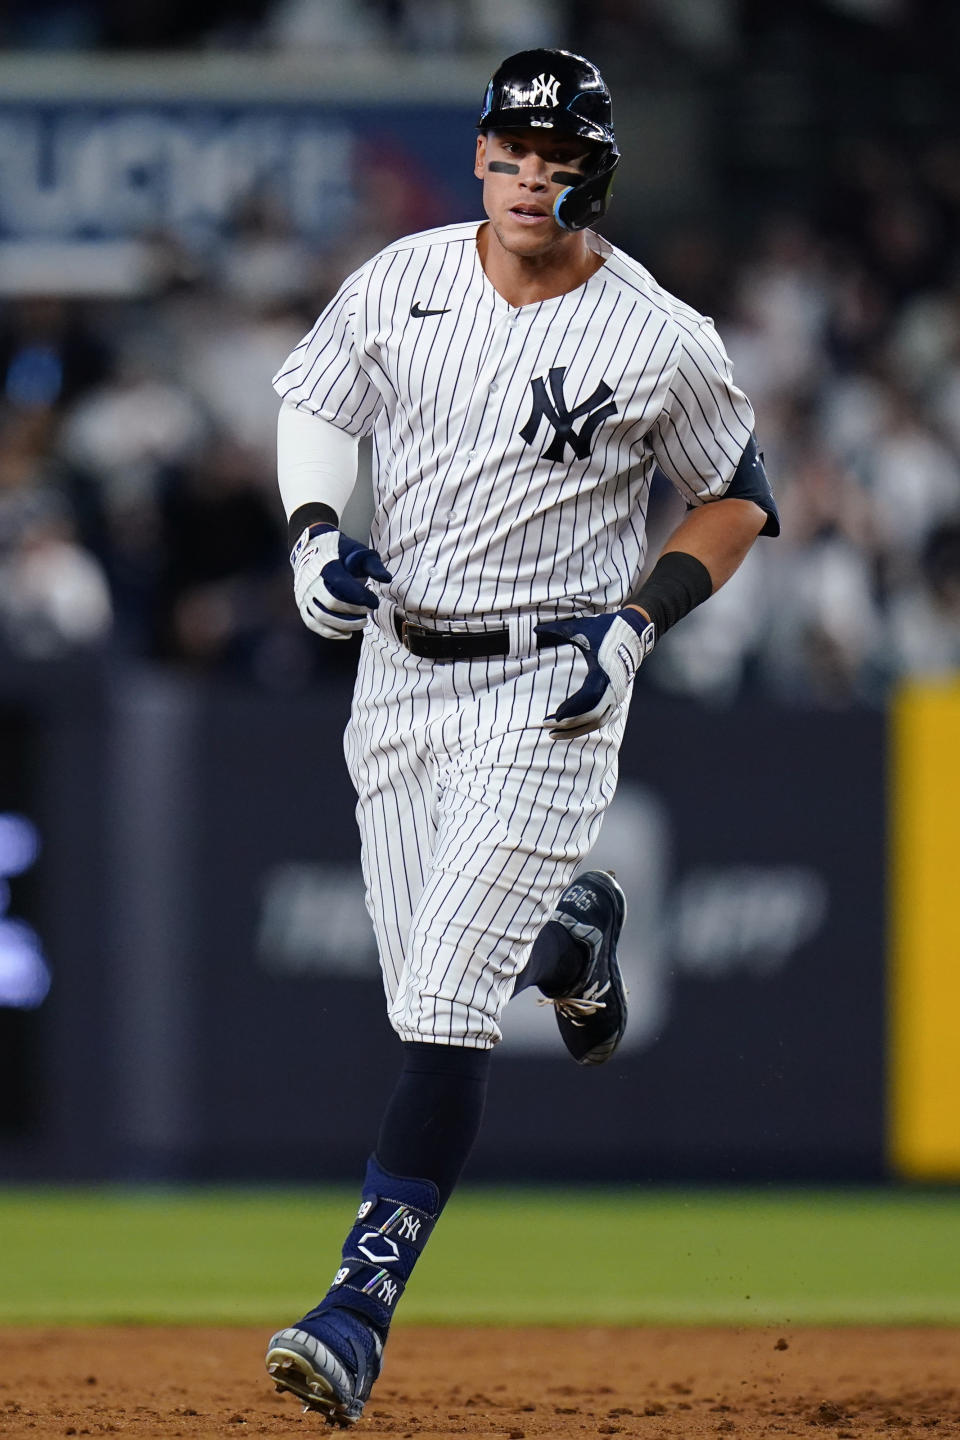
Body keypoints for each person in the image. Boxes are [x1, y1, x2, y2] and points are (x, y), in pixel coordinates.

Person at [265, 48, 780, 1426]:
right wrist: (315, 536)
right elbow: (315, 400)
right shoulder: (403, 276)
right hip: (398, 673)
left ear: (595, 171)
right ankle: (573, 941)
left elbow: (737, 496)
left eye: (559, 154)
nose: (532, 171)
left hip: (552, 681)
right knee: (426, 977)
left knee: (440, 1002)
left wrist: (640, 620)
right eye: (512, 144)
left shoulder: (658, 332)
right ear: (483, 149)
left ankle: (359, 1303)